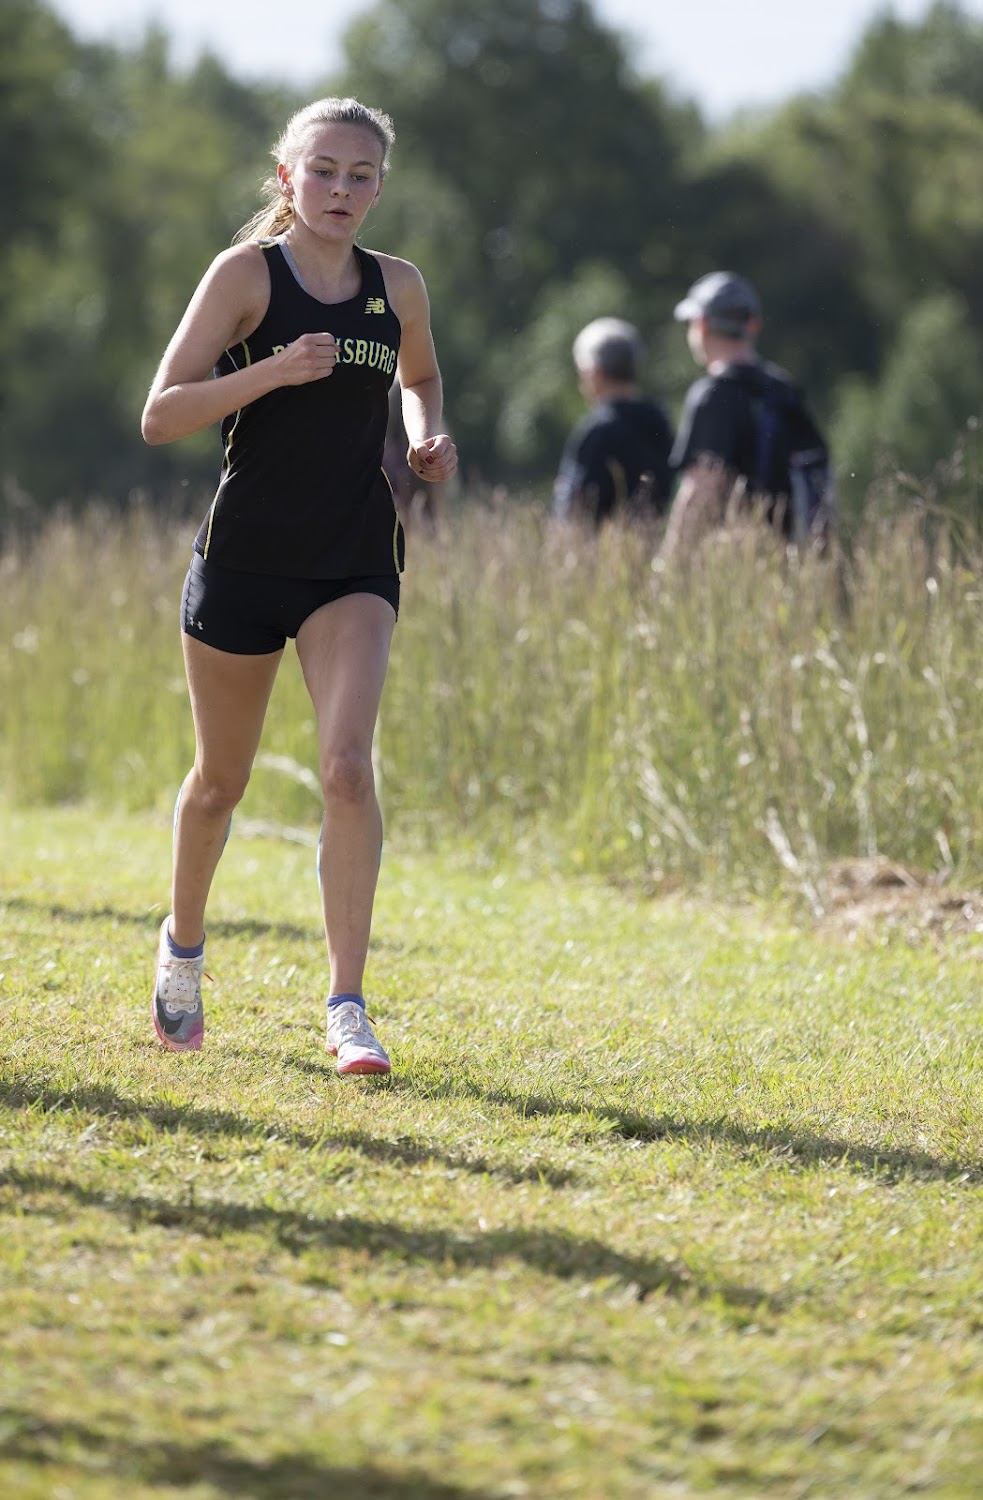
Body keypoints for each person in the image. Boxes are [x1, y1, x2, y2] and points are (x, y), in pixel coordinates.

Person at [141, 96, 457, 1076]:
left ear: (379, 189)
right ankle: (182, 950)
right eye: (323, 171)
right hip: (243, 558)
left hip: (352, 557)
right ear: (287, 177)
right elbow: (161, 415)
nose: (340, 190)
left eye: (360, 176)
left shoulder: (397, 286)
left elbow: (421, 378)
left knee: (347, 768)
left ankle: (347, 1007)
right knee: (219, 783)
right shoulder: (245, 276)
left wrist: (425, 437)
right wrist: (271, 372)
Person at [663, 271, 832, 558]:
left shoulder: (712, 395)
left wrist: (668, 563)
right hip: (795, 556)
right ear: (753, 325)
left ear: (701, 326)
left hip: (736, 560)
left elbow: (699, 490)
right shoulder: (784, 389)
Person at [551, 317, 674, 526]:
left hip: (601, 544)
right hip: (654, 538)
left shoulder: (598, 430)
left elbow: (573, 506)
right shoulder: (658, 420)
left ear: (594, 373)